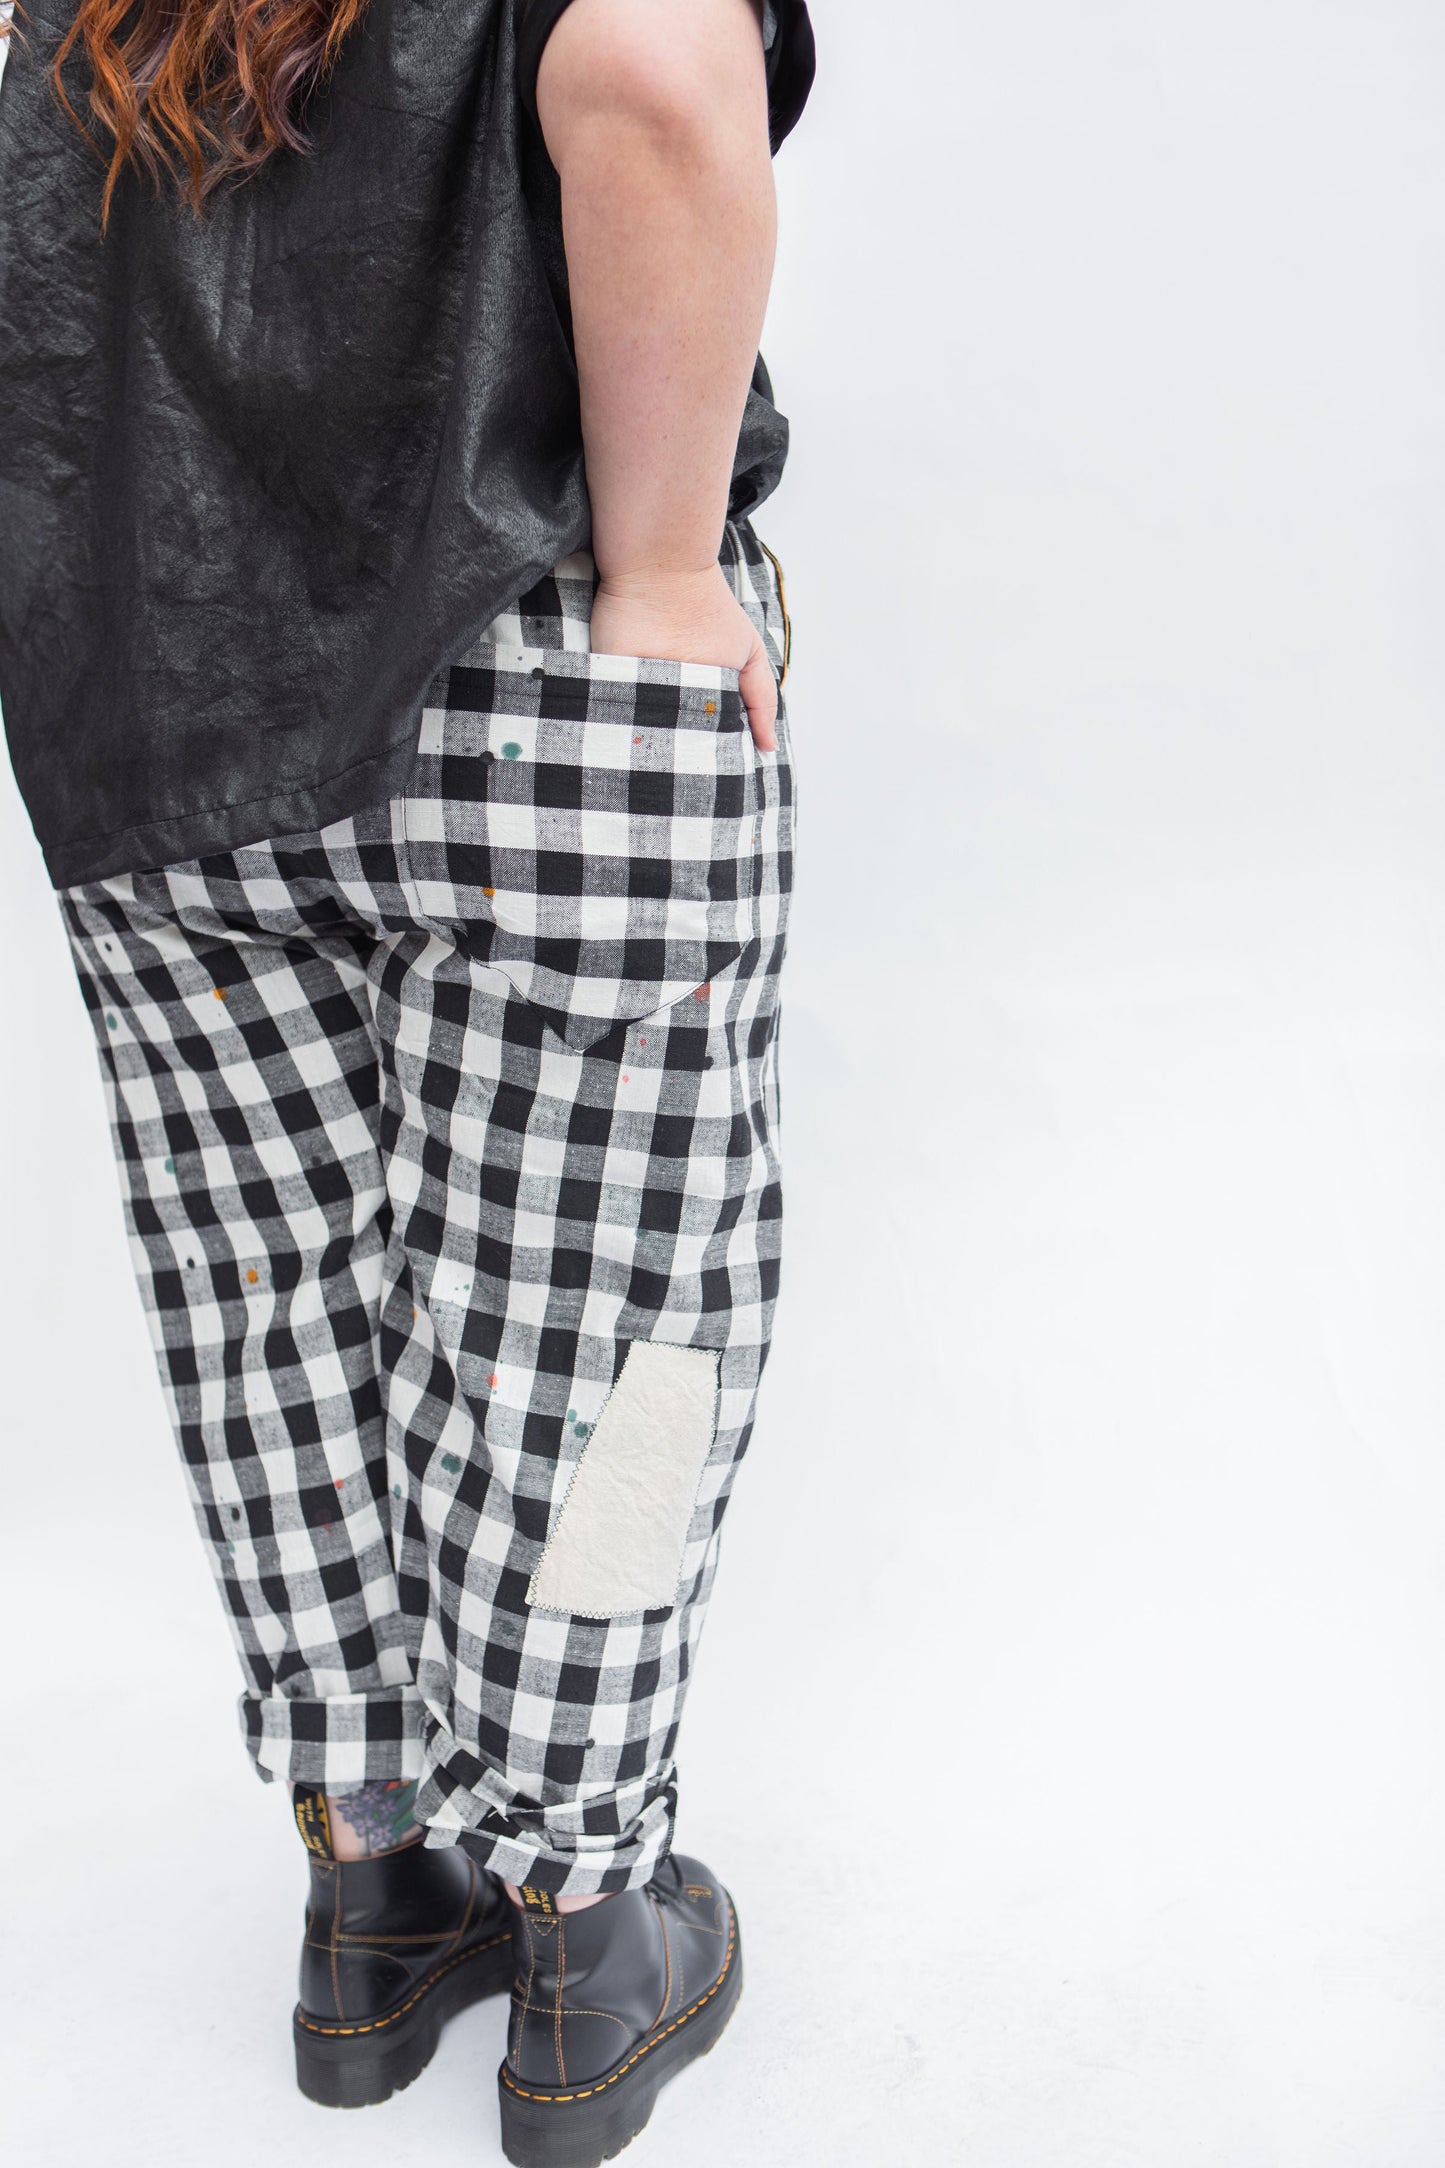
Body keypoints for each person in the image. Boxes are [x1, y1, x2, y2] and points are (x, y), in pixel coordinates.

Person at [0, 0, 813, 2158]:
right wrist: (665, 569)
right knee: (605, 1332)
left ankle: (369, 1891)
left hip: (153, 700)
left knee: (266, 1306)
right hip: (534, 678)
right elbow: (651, 73)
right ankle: (579, 1922)